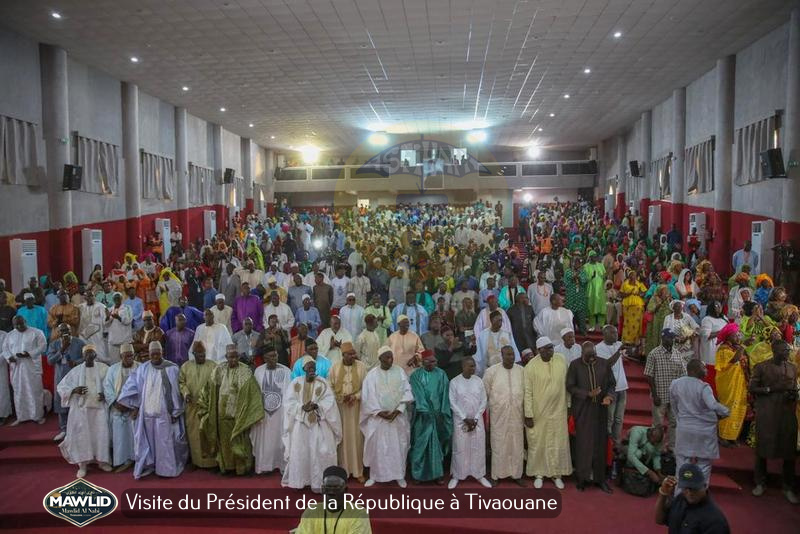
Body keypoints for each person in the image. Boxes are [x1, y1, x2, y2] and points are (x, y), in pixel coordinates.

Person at [117, 341, 189, 478]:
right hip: (147, 413)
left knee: (164, 443)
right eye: (152, 354)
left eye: (157, 353)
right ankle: (151, 466)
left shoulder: (172, 368)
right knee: (148, 442)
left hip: (164, 414)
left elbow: (175, 392)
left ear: (162, 353)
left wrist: (176, 412)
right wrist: (135, 407)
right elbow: (134, 387)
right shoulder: (143, 369)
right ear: (149, 354)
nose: (155, 356)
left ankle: (166, 470)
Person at [199, 344, 264, 475]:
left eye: (235, 357)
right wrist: (205, 405)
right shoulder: (219, 370)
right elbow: (209, 388)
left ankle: (241, 468)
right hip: (221, 416)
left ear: (239, 356)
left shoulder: (245, 371)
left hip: (239, 416)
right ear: (226, 357)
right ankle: (227, 467)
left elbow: (253, 392)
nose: (233, 360)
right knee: (224, 443)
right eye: (230, 357)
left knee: (240, 442)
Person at [281, 356, 342, 491]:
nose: (311, 369)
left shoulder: (323, 383)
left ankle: (318, 484)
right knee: (300, 452)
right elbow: (289, 403)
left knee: (320, 453)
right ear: (303, 369)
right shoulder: (296, 382)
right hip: (300, 424)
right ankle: (299, 481)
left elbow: (329, 402)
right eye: (309, 367)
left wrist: (316, 406)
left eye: (313, 367)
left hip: (319, 425)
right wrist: (302, 407)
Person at [749, 340, 798, 503]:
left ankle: (788, 487)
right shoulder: (762, 367)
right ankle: (760, 483)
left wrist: (793, 395)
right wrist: (769, 390)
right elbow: (752, 388)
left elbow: (794, 388)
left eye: (788, 350)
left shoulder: (792, 367)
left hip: (787, 413)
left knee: (788, 450)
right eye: (784, 350)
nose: (787, 352)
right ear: (775, 350)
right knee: (763, 448)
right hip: (767, 412)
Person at [670, 359, 730, 486]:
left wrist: (681, 420)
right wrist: (726, 411)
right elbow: (712, 405)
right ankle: (700, 493)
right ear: (693, 370)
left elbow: (674, 406)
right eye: (703, 368)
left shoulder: (676, 384)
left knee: (682, 463)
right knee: (704, 465)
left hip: (684, 428)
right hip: (704, 431)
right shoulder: (704, 387)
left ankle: (680, 494)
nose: (706, 370)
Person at [56, 344, 112, 478]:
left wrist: (106, 394)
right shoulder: (75, 371)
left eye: (92, 353)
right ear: (83, 356)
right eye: (87, 353)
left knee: (100, 435)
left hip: (99, 410)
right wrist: (73, 390)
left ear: (96, 355)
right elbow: (61, 386)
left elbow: (111, 385)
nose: (89, 356)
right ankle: (82, 465)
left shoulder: (104, 369)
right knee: (82, 437)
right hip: (81, 410)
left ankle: (102, 462)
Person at [361, 346, 414, 488]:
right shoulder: (371, 375)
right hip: (379, 419)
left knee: (398, 447)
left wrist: (399, 410)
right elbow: (367, 397)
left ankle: (399, 475)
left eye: (391, 357)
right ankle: (374, 476)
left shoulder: (400, 371)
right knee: (378, 448)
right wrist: (379, 412)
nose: (391, 360)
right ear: (380, 359)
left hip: (397, 418)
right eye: (387, 357)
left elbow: (407, 391)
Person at [566, 341, 616, 493]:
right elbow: (569, 386)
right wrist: (587, 394)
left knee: (600, 444)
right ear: (582, 354)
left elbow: (611, 384)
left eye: (594, 355)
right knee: (584, 445)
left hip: (601, 409)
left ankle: (600, 479)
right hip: (583, 410)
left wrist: (609, 396)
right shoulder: (574, 365)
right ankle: (582, 479)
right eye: (589, 357)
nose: (592, 359)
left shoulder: (604, 364)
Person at [524, 336, 572, 489]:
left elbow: (567, 385)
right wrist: (528, 414)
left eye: (552, 347)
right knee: (538, 443)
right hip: (539, 413)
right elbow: (527, 392)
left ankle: (556, 474)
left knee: (558, 441)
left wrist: (569, 405)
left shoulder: (561, 360)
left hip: (559, 410)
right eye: (548, 348)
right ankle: (539, 474)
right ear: (540, 350)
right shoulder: (531, 366)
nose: (552, 350)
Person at [483, 345, 526, 486]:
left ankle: (517, 474)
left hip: (517, 415)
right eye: (508, 354)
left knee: (517, 445)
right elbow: (485, 395)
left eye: (513, 354)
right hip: (498, 416)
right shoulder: (491, 372)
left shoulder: (522, 371)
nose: (511, 357)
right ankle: (496, 475)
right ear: (501, 355)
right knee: (498, 444)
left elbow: (527, 393)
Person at [447, 356, 491, 489]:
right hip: (461, 421)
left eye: (474, 365)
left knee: (477, 448)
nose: (473, 368)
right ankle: (457, 475)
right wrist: (464, 418)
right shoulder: (455, 382)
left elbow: (483, 401)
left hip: (477, 421)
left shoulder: (479, 381)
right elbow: (452, 402)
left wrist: (476, 418)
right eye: (470, 366)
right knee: (460, 448)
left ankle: (479, 475)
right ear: (463, 367)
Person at [408, 351, 452, 484]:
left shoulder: (441, 374)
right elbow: (417, 394)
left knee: (436, 445)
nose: (433, 364)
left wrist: (443, 411)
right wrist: (425, 410)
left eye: (434, 361)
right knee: (420, 444)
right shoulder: (416, 375)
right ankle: (417, 474)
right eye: (429, 361)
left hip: (438, 415)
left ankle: (437, 474)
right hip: (422, 417)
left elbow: (445, 394)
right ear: (422, 361)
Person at [292, 465, 372, 534]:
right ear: (322, 490)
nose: (331, 492)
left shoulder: (358, 514)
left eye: (336, 488)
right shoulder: (311, 513)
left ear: (345, 490)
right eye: (328, 487)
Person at [328, 341, 367, 481]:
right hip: (340, 409)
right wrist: (339, 397)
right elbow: (329, 387)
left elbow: (366, 388)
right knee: (342, 439)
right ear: (343, 355)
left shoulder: (362, 367)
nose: (352, 356)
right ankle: (343, 471)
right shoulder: (335, 367)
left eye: (353, 353)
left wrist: (356, 396)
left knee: (357, 439)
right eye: (349, 354)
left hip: (357, 408)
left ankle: (358, 472)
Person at [654, 464, 731, 533]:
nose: (689, 493)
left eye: (694, 488)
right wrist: (663, 494)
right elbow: (659, 520)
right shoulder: (680, 499)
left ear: (704, 486)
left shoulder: (715, 521)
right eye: (685, 488)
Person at [178, 341, 218, 469]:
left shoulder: (213, 365)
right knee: (193, 434)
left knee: (209, 432)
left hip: (208, 407)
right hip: (192, 407)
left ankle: (212, 462)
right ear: (193, 354)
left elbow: (219, 383)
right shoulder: (186, 366)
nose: (202, 357)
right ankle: (196, 461)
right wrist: (186, 394)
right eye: (199, 355)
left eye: (203, 354)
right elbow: (181, 383)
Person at [251, 349, 291, 474]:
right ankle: (264, 466)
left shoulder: (286, 371)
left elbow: (290, 393)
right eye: (271, 356)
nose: (274, 358)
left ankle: (281, 464)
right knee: (265, 441)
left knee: (281, 438)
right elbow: (255, 392)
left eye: (276, 355)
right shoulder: (258, 371)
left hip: (281, 412)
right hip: (264, 413)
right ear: (264, 358)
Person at [644, 330, 685, 450]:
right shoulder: (654, 353)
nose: (671, 340)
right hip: (660, 395)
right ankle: (658, 449)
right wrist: (655, 394)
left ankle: (672, 447)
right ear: (663, 338)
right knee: (658, 424)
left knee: (674, 423)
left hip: (674, 397)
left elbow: (683, 374)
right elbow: (649, 375)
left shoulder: (677, 354)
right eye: (668, 338)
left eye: (672, 338)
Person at [1, 316, 47, 425]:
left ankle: (38, 416)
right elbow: (5, 349)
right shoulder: (10, 335)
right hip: (16, 368)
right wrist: (9, 357)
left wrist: (29, 353)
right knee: (18, 391)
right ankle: (21, 416)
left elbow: (43, 346)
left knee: (35, 391)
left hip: (32, 367)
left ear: (25, 321)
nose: (19, 326)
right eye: (16, 325)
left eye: (21, 324)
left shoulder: (37, 332)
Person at [103, 343, 140, 471]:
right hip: (117, 407)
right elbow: (107, 388)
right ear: (120, 356)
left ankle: (137, 460)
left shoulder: (140, 368)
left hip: (135, 409)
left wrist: (136, 407)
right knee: (119, 437)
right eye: (126, 356)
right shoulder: (112, 369)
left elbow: (144, 389)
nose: (129, 358)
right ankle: (121, 460)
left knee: (135, 436)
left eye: (131, 355)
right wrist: (115, 403)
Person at [47, 323, 85, 440]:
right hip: (60, 376)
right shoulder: (54, 344)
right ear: (58, 332)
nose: (65, 333)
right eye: (62, 331)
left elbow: (87, 357)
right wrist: (62, 350)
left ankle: (79, 430)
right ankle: (64, 429)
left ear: (71, 330)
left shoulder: (79, 342)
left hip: (76, 376)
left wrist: (76, 362)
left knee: (76, 401)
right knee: (62, 400)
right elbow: (50, 361)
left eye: (67, 330)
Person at [594, 325, 628, 449]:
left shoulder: (618, 344)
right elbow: (607, 364)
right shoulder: (598, 348)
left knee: (619, 419)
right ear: (605, 335)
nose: (616, 335)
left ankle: (616, 444)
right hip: (609, 389)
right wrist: (619, 351)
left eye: (616, 333)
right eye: (613, 333)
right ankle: (606, 445)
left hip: (622, 386)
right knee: (610, 419)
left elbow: (627, 355)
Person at [714, 323, 747, 445]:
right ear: (728, 337)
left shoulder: (736, 347)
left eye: (739, 334)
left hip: (739, 383)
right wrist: (743, 346)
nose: (738, 337)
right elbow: (733, 360)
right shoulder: (723, 349)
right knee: (727, 407)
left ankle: (732, 436)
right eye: (735, 335)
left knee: (738, 408)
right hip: (727, 384)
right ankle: (722, 436)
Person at [476, 310, 520, 376]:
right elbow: (480, 355)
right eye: (497, 320)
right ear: (491, 321)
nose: (500, 322)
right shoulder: (483, 335)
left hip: (506, 369)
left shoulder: (507, 334)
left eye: (501, 320)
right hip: (490, 369)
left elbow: (514, 351)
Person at [78, 291, 108, 363]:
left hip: (97, 334)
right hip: (84, 335)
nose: (90, 298)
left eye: (92, 296)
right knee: (86, 352)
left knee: (99, 353)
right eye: (88, 296)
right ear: (85, 298)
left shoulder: (101, 306)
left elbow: (106, 320)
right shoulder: (80, 307)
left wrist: (105, 331)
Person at [620, 270, 647, 346]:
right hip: (627, 305)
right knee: (627, 322)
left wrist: (640, 294)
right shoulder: (625, 284)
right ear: (629, 276)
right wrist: (628, 293)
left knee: (637, 323)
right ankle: (627, 340)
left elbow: (645, 292)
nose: (633, 276)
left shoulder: (639, 284)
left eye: (634, 275)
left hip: (638, 305)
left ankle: (636, 340)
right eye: (632, 275)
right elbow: (621, 294)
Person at [105, 292, 133, 365]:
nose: (117, 299)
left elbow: (128, 321)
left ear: (121, 299)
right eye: (115, 298)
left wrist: (119, 317)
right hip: (113, 340)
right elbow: (106, 325)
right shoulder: (110, 309)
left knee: (127, 362)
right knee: (114, 363)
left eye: (118, 298)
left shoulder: (127, 308)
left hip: (124, 340)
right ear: (113, 300)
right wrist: (107, 317)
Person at [583, 251, 607, 331]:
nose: (595, 258)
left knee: (601, 307)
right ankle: (592, 325)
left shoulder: (600, 265)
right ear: (589, 257)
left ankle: (601, 325)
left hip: (600, 289)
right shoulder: (585, 266)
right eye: (593, 256)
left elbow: (604, 275)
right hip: (591, 289)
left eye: (596, 256)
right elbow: (584, 278)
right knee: (591, 307)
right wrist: (591, 277)